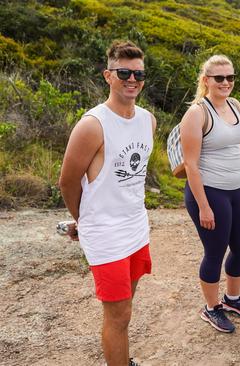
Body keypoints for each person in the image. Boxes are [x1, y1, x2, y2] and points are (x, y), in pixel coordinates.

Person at [59, 40, 154, 366]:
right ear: (108, 75)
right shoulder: (92, 125)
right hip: (107, 235)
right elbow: (68, 182)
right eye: (124, 72)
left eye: (138, 72)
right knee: (119, 315)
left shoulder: (148, 120)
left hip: (136, 228)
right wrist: (86, 222)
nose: (132, 79)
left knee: (127, 307)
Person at [180, 54, 240, 334]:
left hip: (235, 190)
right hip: (209, 192)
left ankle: (233, 299)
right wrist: (203, 205)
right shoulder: (197, 113)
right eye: (219, 78)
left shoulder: (235, 106)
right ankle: (211, 308)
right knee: (215, 250)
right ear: (206, 81)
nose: (226, 82)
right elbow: (190, 163)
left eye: (230, 77)